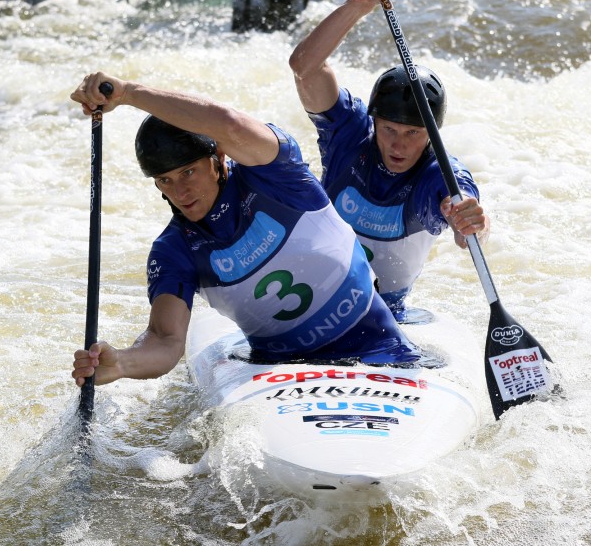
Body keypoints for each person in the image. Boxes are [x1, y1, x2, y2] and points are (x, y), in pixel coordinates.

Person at [70, 72, 425, 389]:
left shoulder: (275, 175)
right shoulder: (175, 249)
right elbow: (164, 341)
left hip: (379, 348)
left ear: (218, 160)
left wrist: (129, 92)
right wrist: (121, 363)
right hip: (280, 376)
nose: (180, 192)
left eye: (189, 172)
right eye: (166, 181)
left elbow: (228, 123)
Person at [289, 0, 490, 323]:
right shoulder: (348, 135)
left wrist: (473, 223)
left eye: (413, 133)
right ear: (373, 121)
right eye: (388, 130)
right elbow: (305, 67)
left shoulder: (439, 174)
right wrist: (359, 5)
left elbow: (466, 228)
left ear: (431, 134)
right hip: (305, 296)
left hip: (383, 312)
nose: (399, 145)